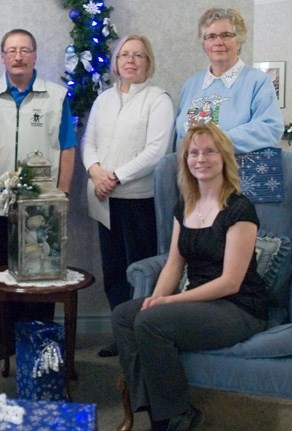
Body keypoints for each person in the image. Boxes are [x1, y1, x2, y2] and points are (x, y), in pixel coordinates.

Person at [112, 123, 269, 431]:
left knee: (150, 321)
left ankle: (173, 416)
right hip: (197, 300)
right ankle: (157, 407)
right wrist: (157, 298)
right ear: (185, 160)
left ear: (224, 157)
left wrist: (170, 302)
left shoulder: (240, 209)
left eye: (210, 151)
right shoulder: (185, 205)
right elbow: (174, 263)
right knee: (124, 315)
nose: (201, 158)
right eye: (193, 152)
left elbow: (230, 282)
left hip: (238, 306)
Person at [0, 28, 76, 355]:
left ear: (35, 56)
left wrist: (62, 195)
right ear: (2, 57)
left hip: (43, 208)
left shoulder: (56, 95)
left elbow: (67, 147)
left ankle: (40, 349)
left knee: (42, 277)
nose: (18, 56)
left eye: (25, 50)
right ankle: (4, 347)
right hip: (1, 206)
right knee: (1, 274)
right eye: (11, 51)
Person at [81, 35, 174, 358]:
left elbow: (156, 151)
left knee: (140, 272)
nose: (131, 61)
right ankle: (122, 336)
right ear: (116, 62)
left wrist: (116, 177)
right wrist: (95, 171)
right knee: (114, 272)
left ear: (149, 63)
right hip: (104, 199)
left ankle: (141, 336)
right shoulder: (103, 99)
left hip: (138, 201)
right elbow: (88, 141)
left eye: (138, 56)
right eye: (125, 55)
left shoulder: (158, 99)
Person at [175, 7, 284, 153]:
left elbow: (270, 128)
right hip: (190, 172)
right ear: (204, 44)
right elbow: (179, 135)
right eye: (211, 36)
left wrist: (215, 144)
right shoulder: (191, 84)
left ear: (239, 41)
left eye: (226, 35)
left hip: (236, 173)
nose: (218, 42)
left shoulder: (258, 82)